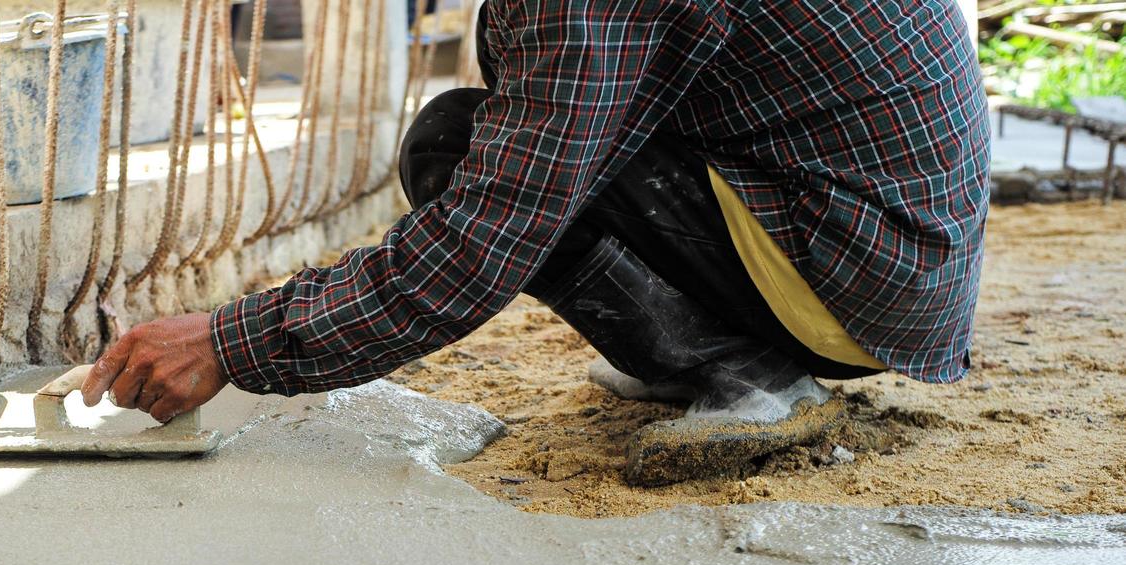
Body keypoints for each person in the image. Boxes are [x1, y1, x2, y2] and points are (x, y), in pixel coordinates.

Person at [82, 0, 990, 485]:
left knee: (457, 150)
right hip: (887, 250)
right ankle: (712, 344)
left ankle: (750, 374)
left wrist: (232, 342)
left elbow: (487, 235)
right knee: (495, 140)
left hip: (858, 273)